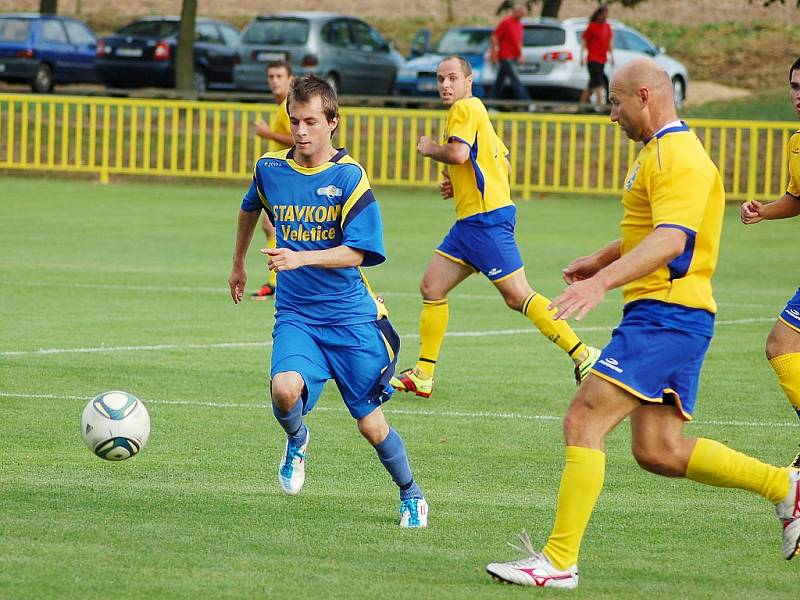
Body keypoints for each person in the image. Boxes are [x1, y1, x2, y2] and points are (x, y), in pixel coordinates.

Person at [485, 58, 800, 589]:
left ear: (645, 96)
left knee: (584, 416)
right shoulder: (657, 152)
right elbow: (655, 229)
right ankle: (786, 487)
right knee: (659, 450)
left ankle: (558, 561)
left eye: (615, 102)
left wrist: (600, 283)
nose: (611, 114)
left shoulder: (679, 155)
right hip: (671, 315)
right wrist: (601, 260)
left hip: (668, 315)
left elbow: (673, 239)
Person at [228, 75, 429, 528]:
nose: (301, 131)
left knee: (371, 426)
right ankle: (297, 439)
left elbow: (359, 252)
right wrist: (238, 264)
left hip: (350, 319)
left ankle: (411, 493)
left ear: (333, 122)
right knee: (284, 389)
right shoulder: (270, 171)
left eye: (311, 122)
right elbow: (248, 208)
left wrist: (301, 259)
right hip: (297, 315)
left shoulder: (349, 177)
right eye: (294, 121)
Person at [389, 55, 600, 399]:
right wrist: (459, 186)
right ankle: (424, 373)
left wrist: (430, 149)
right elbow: (500, 163)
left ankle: (584, 354)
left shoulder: (465, 109)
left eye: (452, 78)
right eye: (440, 78)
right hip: (471, 223)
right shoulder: (476, 113)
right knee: (431, 287)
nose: (445, 85)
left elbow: (458, 155)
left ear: (468, 81)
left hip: (485, 222)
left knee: (519, 296)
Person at [740, 56, 800, 467]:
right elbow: (797, 197)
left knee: (781, 342)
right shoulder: (796, 143)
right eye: (795, 87)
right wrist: (765, 211)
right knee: (781, 344)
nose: (799, 95)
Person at [251, 60, 294, 300]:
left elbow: (298, 139)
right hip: (281, 175)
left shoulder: (289, 105)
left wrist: (267, 134)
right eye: (271, 76)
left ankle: (279, 282)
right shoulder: (283, 105)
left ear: (290, 78)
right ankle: (277, 281)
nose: (275, 81)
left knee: (278, 226)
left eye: (279, 76)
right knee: (270, 225)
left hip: (288, 173)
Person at [488, 3, 530, 102]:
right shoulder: (506, 22)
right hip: (505, 56)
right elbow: (495, 37)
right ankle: (526, 102)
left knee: (499, 81)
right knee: (515, 79)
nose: (522, 16)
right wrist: (494, 53)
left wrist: (521, 54)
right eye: (521, 13)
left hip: (514, 56)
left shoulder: (520, 25)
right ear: (516, 12)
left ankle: (490, 102)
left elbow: (518, 41)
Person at [579, 4, 614, 108]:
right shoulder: (592, 26)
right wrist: (581, 57)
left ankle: (581, 105)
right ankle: (602, 106)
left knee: (592, 84)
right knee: (599, 82)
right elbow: (585, 42)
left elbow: (609, 43)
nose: (605, 17)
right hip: (593, 59)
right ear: (598, 15)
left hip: (602, 59)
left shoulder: (607, 27)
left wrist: (612, 57)